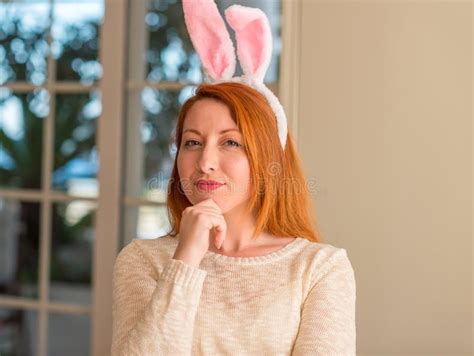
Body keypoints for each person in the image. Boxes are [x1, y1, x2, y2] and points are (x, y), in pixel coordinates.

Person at [111, 1, 356, 355]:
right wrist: (186, 260)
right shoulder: (141, 261)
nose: (205, 161)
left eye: (230, 142)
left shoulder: (320, 268)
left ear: (267, 158)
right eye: (192, 142)